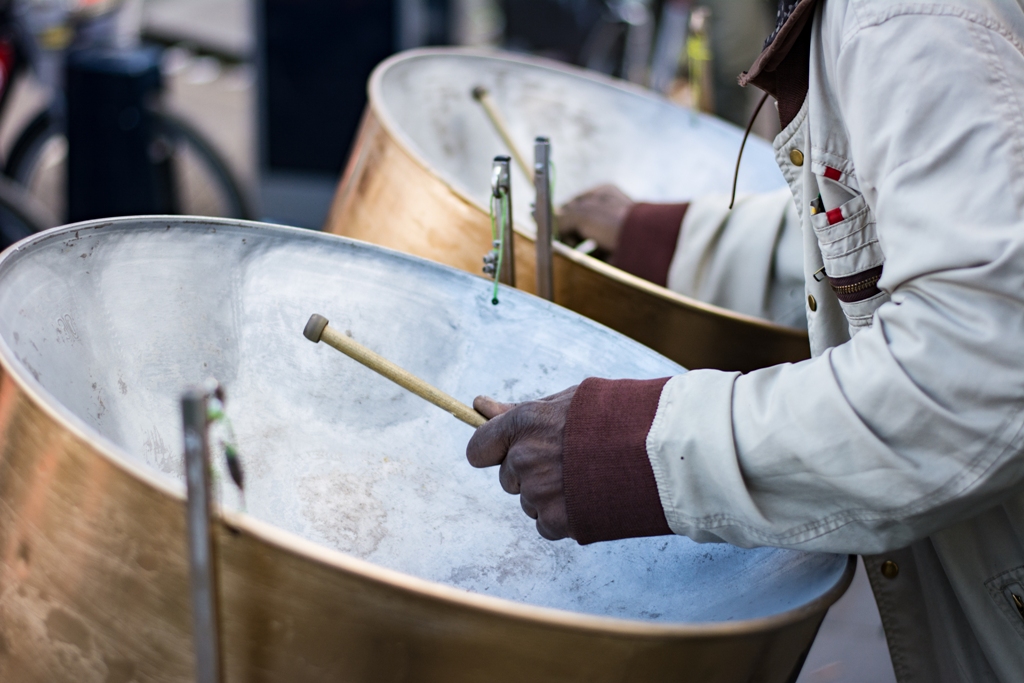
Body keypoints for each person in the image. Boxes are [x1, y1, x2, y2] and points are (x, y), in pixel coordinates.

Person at [465, 0, 1024, 680]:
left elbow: (976, 374)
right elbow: (869, 219)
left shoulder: (907, 21)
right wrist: (669, 240)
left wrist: (636, 449)